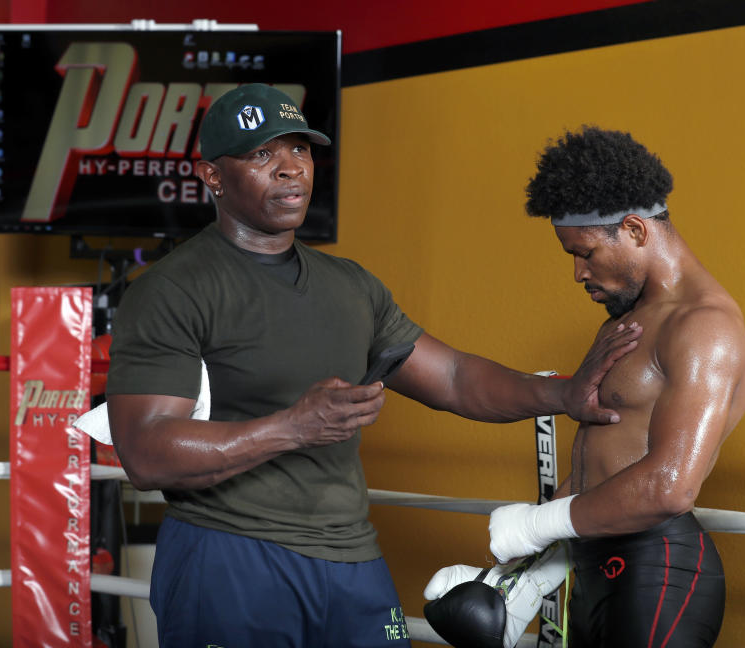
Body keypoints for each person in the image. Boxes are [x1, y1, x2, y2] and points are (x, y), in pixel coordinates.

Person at [105, 86, 643, 647]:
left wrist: (562, 395)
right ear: (212, 176)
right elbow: (145, 454)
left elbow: (455, 377)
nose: (291, 169)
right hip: (231, 554)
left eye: (301, 151)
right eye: (263, 155)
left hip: (350, 560)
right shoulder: (172, 290)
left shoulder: (350, 286)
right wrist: (292, 427)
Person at [424, 126, 745, 648]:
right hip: (593, 568)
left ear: (635, 230)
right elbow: (600, 462)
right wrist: (529, 573)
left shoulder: (703, 325)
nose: (578, 273)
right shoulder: (628, 316)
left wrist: (535, 526)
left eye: (587, 253)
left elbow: (670, 486)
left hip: (658, 571)